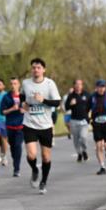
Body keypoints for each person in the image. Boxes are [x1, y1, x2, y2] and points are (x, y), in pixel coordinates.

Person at [21, 58, 61, 194]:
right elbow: (22, 96)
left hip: (45, 125)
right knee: (31, 155)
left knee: (46, 157)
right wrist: (23, 104)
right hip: (29, 123)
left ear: (43, 69)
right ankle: (34, 169)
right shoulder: (25, 83)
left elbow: (57, 103)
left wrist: (43, 100)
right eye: (33, 68)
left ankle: (43, 182)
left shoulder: (50, 84)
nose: (35, 70)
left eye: (38, 68)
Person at [0, 76, 25, 177]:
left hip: (21, 126)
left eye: (15, 83)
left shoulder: (24, 96)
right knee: (13, 147)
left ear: (19, 85)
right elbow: (3, 112)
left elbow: (30, 108)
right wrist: (12, 109)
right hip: (10, 126)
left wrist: (25, 110)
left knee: (18, 146)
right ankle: (15, 160)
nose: (13, 86)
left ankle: (16, 168)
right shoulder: (6, 97)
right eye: (11, 84)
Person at [64, 79, 90, 162]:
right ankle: (79, 153)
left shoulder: (86, 94)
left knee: (83, 137)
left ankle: (84, 151)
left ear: (82, 85)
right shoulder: (71, 96)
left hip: (84, 121)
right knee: (76, 140)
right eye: (77, 84)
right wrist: (70, 104)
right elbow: (66, 107)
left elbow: (91, 105)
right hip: (74, 121)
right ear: (74, 85)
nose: (78, 86)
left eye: (80, 84)